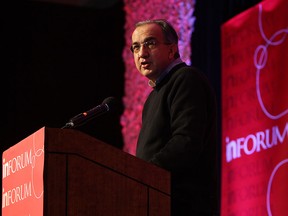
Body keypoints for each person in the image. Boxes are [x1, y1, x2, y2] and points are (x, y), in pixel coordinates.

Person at [130, 19, 218, 216]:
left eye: (150, 43)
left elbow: (185, 142)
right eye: (135, 47)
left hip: (184, 206)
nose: (141, 53)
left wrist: (141, 174)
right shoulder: (154, 95)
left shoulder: (186, 79)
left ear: (172, 50)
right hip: (156, 202)